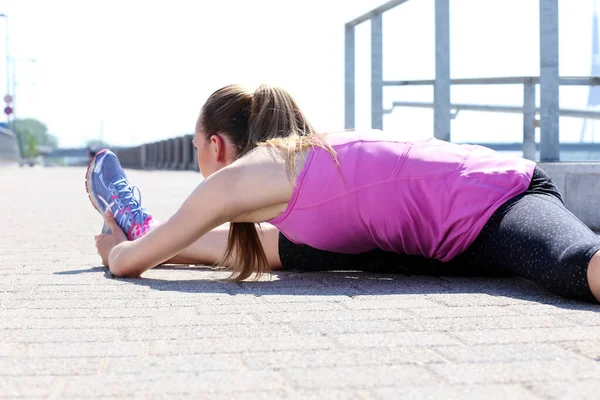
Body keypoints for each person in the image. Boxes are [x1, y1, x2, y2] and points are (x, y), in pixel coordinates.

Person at [87, 84, 600, 304]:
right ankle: (137, 216)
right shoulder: (287, 192)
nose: (200, 157)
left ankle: (134, 219)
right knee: (289, 256)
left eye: (198, 146)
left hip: (499, 199)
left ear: (217, 146)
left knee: (573, 265)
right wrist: (145, 238)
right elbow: (229, 248)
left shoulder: (236, 179)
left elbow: (130, 266)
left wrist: (124, 251)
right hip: (440, 242)